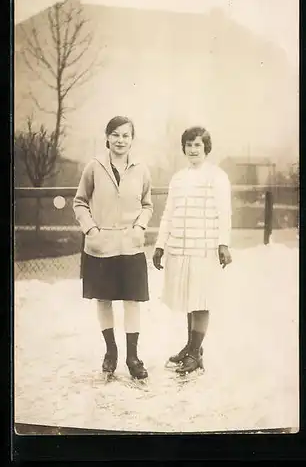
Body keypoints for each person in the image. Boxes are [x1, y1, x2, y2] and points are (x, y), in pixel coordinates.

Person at [73, 116, 153, 380]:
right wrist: (91, 230)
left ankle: (133, 356)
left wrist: (140, 227)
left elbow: (147, 204)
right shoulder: (94, 167)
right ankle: (111, 352)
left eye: (126, 136)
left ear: (132, 139)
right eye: (115, 135)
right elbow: (80, 202)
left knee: (132, 301)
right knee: (104, 299)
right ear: (107, 137)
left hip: (130, 245)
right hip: (101, 245)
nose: (120, 141)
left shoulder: (141, 169)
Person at [153, 126, 232, 375]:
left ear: (206, 148)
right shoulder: (178, 178)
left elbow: (224, 212)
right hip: (181, 248)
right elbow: (168, 213)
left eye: (198, 144)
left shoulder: (217, 176)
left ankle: (195, 352)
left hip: (204, 248)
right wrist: (159, 245)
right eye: (189, 144)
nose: (193, 149)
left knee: (201, 299)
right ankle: (191, 348)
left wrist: (223, 243)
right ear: (184, 148)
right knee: (188, 298)